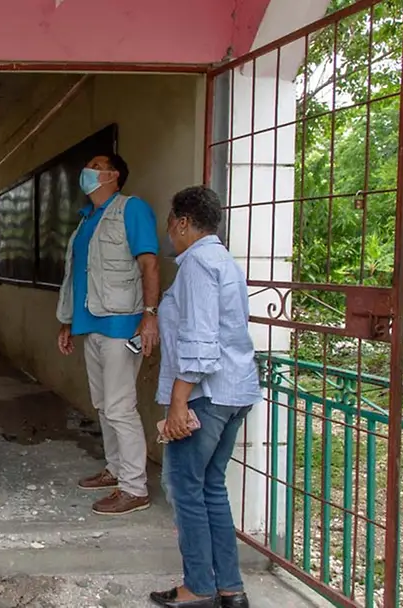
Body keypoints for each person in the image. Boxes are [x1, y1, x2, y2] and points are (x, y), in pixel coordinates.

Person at [150, 185, 260, 608]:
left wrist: (179, 401)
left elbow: (199, 340)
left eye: (169, 223)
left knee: (185, 487)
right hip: (235, 391)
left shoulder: (196, 264)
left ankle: (198, 587)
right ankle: (230, 588)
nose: (168, 232)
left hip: (205, 395)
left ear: (182, 222)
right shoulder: (225, 261)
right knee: (211, 486)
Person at [56, 152, 160, 516]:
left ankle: (134, 488)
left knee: (119, 406)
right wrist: (68, 321)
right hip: (92, 324)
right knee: (103, 406)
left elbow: (149, 264)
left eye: (97, 166)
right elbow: (77, 278)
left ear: (114, 175)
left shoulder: (132, 209)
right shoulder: (87, 220)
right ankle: (115, 470)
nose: (88, 170)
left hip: (121, 325)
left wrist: (150, 316)